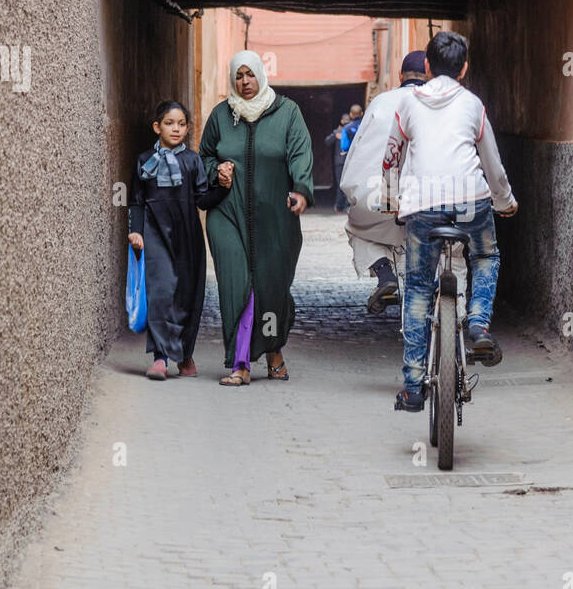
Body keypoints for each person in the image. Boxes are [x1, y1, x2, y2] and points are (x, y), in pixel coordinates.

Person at [381, 32, 518, 413]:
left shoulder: (408, 103)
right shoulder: (473, 105)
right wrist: (505, 202)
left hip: (422, 208)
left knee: (420, 288)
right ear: (464, 68)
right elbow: (492, 164)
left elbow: (391, 159)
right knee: (486, 256)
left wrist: (393, 201)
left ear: (426, 67)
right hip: (471, 202)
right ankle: (477, 323)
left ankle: (412, 387)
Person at [199, 51, 315, 386]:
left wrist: (302, 189)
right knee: (237, 284)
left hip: (275, 216)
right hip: (227, 214)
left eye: (250, 75)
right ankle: (240, 363)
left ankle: (273, 349)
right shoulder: (222, 115)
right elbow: (204, 154)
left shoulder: (287, 112)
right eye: (238, 76)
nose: (245, 82)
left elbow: (300, 153)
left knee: (271, 287)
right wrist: (214, 169)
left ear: (261, 75)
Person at [340, 51, 466, 315]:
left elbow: (357, 153)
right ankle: (449, 299)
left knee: (356, 226)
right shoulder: (445, 103)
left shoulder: (380, 102)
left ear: (400, 76)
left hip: (380, 197)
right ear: (431, 74)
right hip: (431, 199)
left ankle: (385, 273)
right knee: (449, 243)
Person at [128, 100, 233, 380]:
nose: (176, 129)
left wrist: (222, 188)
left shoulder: (192, 161)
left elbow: (202, 199)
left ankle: (185, 354)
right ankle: (160, 357)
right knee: (161, 292)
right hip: (155, 234)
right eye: (169, 123)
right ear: (157, 127)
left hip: (187, 237)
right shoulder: (143, 161)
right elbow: (136, 201)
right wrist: (136, 230)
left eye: (181, 124)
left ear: (187, 128)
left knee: (187, 295)